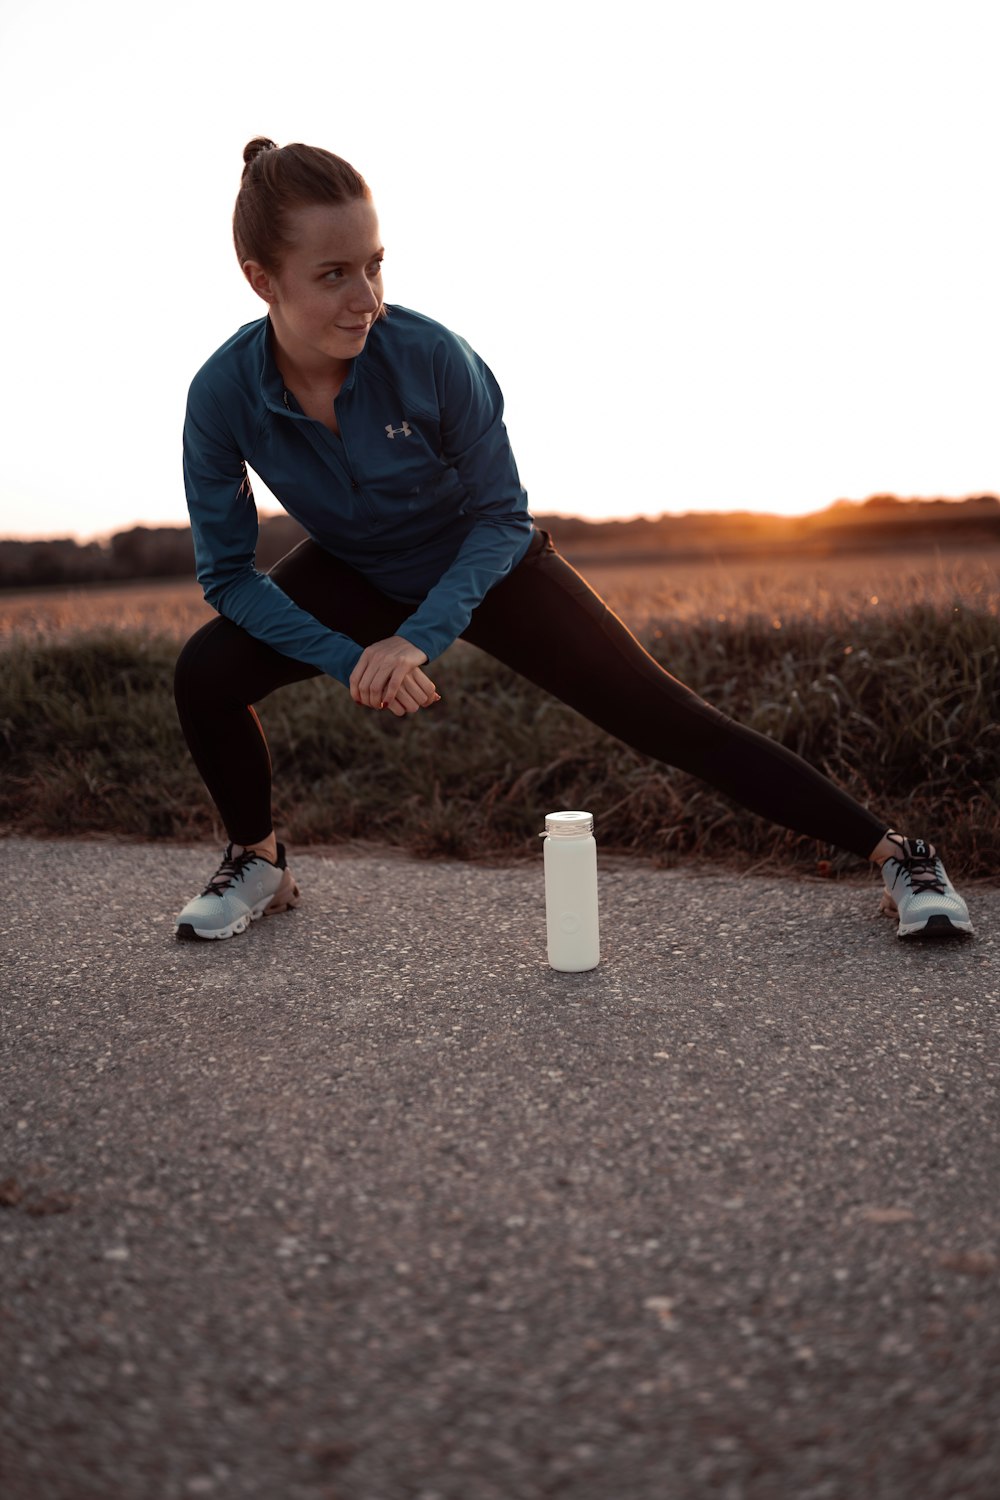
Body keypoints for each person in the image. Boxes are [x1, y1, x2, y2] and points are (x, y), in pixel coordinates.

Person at [173, 138, 973, 944]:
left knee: (668, 717)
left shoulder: (434, 357)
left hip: (487, 562)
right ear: (260, 279)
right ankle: (260, 860)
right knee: (206, 671)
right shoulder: (221, 396)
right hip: (358, 568)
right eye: (333, 275)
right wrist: (350, 659)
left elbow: (500, 518)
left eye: (374, 265)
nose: (366, 298)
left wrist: (416, 640)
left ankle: (902, 856)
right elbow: (231, 577)